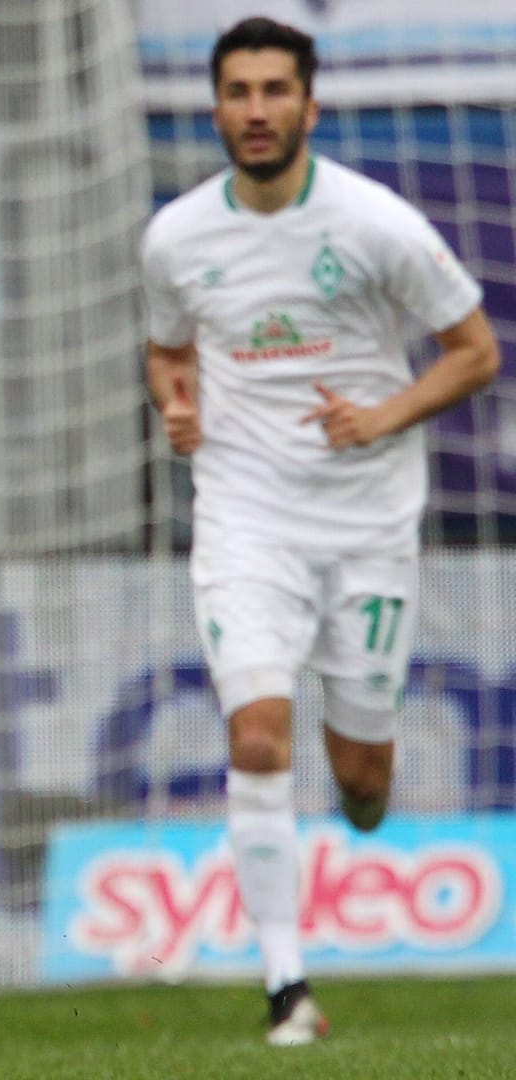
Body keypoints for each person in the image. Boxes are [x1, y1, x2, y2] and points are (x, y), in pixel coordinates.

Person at [141, 17, 500, 1047]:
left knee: (363, 784)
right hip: (246, 519)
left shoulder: (374, 222)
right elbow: (168, 353)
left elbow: (473, 350)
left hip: (368, 526)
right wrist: (176, 405)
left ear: (309, 104)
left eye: (273, 91)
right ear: (215, 107)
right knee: (256, 734)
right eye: (239, 92)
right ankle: (286, 986)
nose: (256, 110)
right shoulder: (175, 236)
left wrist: (381, 417)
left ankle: (356, 805)